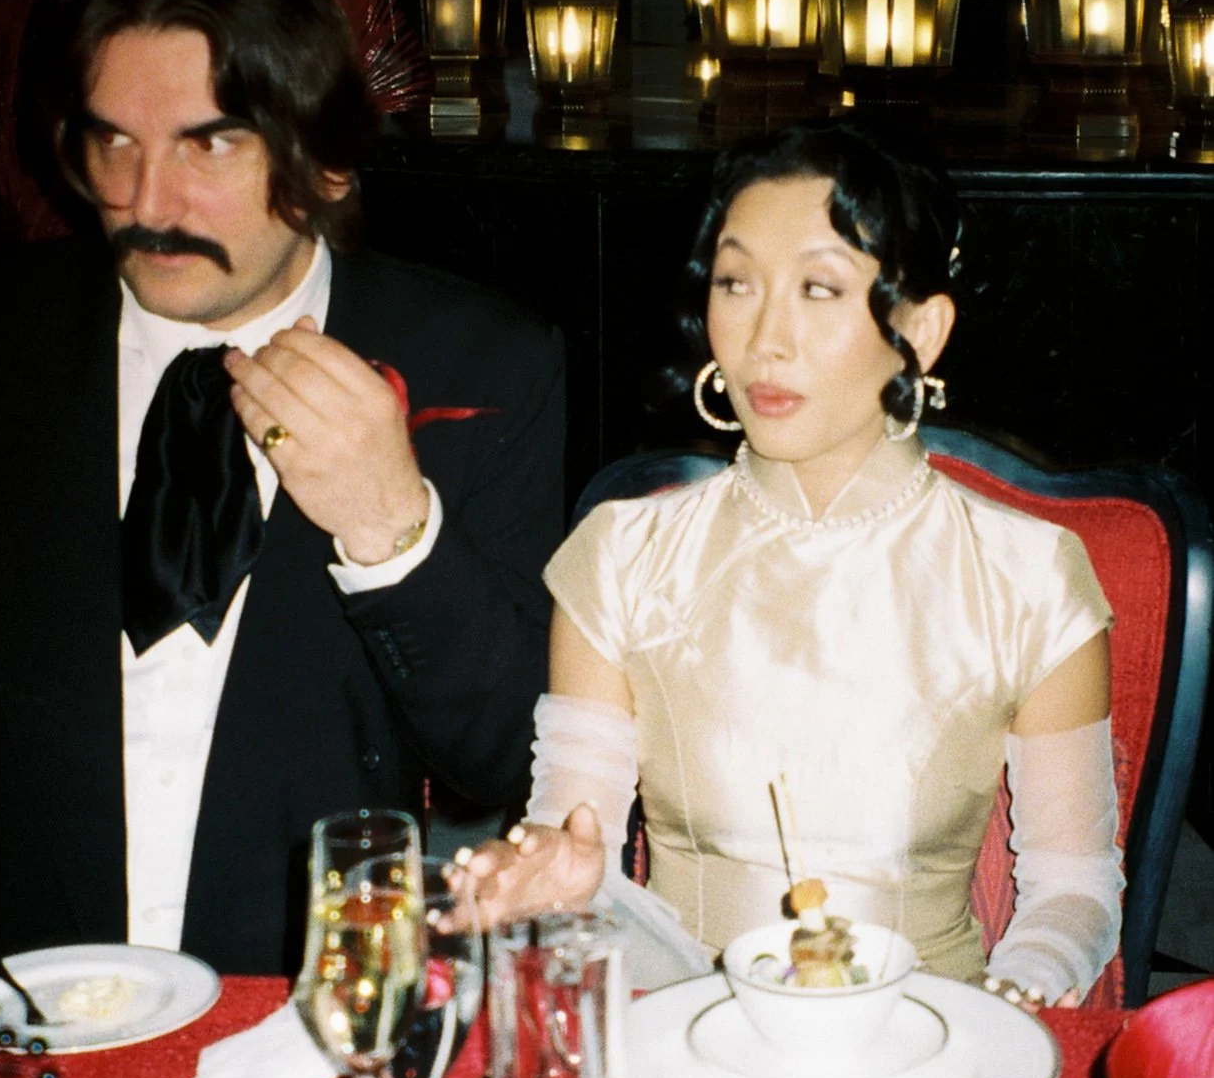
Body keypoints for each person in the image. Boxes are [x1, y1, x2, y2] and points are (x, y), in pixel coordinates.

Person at [0, 0, 564, 974]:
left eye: (208, 143)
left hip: (299, 1024)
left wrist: (395, 529)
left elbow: (511, 760)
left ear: (327, 162)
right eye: (113, 140)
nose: (146, 201)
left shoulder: (481, 363)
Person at [460, 122, 1122, 1008]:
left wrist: (1020, 992)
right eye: (735, 284)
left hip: (931, 1044)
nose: (763, 339)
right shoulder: (622, 559)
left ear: (919, 331)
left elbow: (1074, 887)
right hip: (681, 1040)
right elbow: (569, 844)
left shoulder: (1029, 578)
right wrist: (548, 873)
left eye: (818, 288)